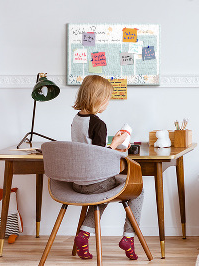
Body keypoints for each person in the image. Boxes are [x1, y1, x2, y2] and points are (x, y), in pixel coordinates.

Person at [71, 75, 144, 260]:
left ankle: (84, 235)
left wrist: (114, 145)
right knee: (137, 189)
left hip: (77, 182)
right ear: (98, 98)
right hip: (94, 182)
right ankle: (129, 237)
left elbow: (89, 149)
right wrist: (117, 143)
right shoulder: (98, 124)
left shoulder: (76, 120)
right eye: (107, 99)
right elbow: (100, 156)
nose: (107, 103)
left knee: (102, 194)